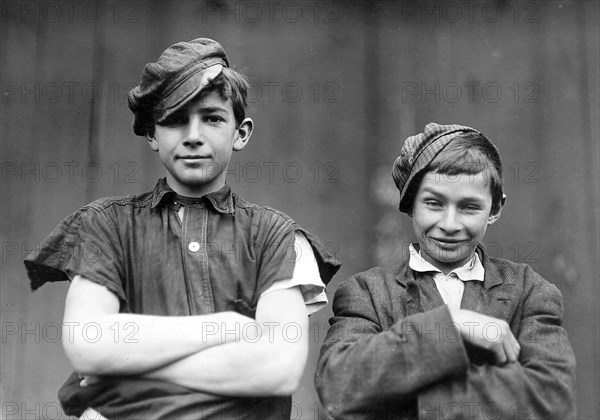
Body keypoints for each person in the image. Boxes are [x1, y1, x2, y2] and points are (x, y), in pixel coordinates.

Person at [24, 38, 340, 420]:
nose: (193, 135)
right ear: (153, 135)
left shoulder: (278, 237)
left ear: (241, 132)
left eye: (212, 118)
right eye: (175, 119)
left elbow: (277, 370)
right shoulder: (104, 225)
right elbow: (88, 344)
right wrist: (225, 328)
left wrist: (119, 377)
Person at [315, 123, 576, 419]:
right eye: (434, 203)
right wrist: (450, 324)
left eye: (469, 207)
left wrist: (401, 402)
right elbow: (339, 385)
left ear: (495, 210)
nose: (450, 224)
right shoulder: (368, 292)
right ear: (410, 203)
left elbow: (551, 399)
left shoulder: (529, 291)